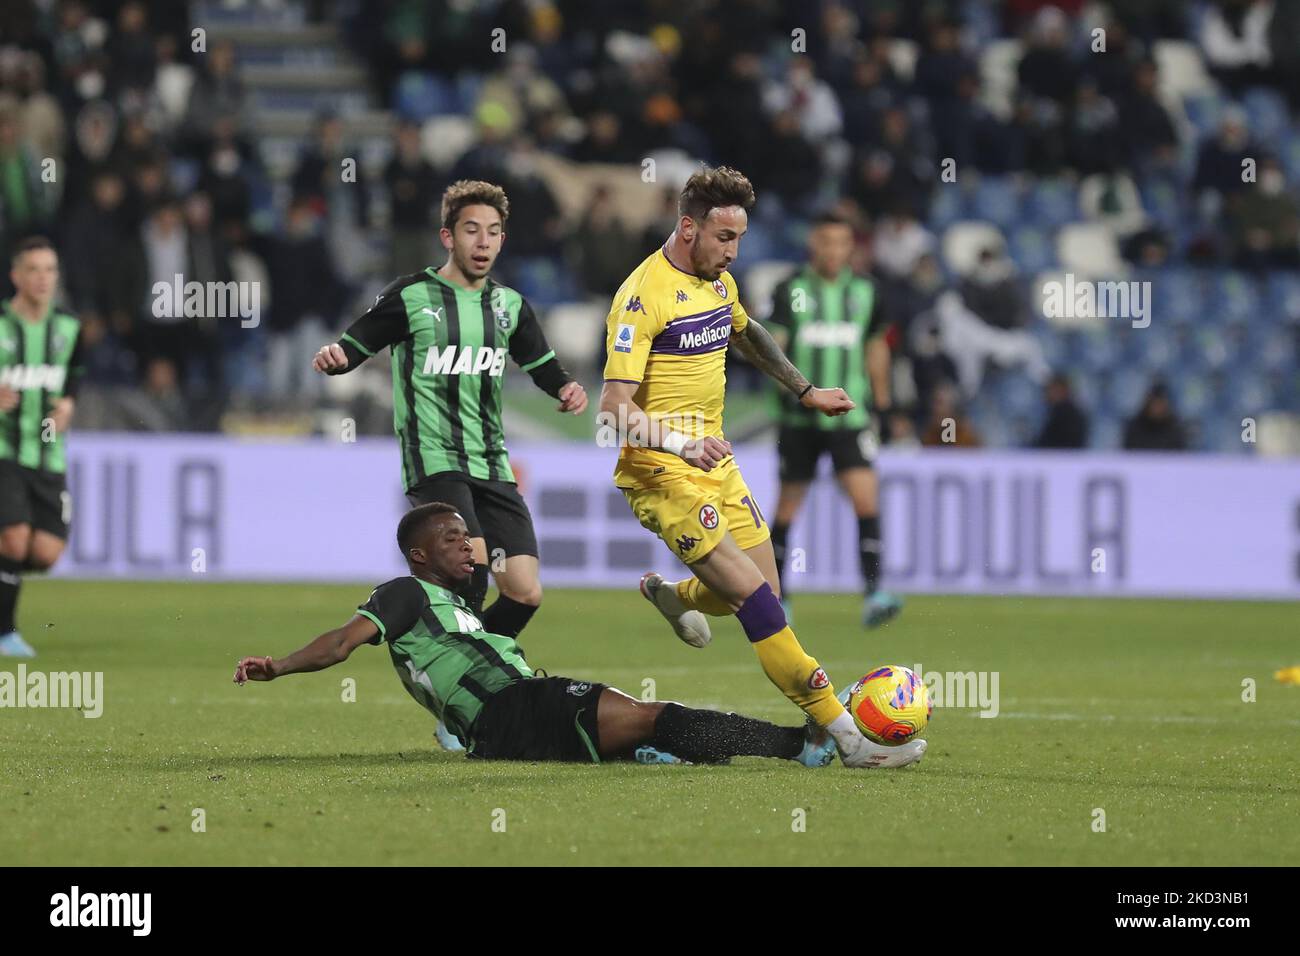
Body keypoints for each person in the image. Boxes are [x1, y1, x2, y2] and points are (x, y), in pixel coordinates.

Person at [597, 167, 917, 769]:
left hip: (716, 464)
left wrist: (804, 390)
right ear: (688, 227)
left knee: (759, 590)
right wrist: (677, 444)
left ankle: (675, 598)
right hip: (661, 474)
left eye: (739, 238)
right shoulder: (641, 297)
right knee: (758, 604)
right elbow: (613, 408)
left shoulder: (718, 282)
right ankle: (845, 738)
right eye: (723, 237)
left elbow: (748, 334)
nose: (733, 251)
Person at [232, 503, 925, 769]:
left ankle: (657, 752)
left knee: (630, 721)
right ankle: (800, 744)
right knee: (650, 714)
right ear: (418, 555)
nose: (469, 548)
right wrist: (280, 665)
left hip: (506, 722)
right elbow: (342, 642)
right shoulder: (405, 594)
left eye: (467, 538)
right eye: (452, 540)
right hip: (511, 713)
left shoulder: (455, 606)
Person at [313, 179, 587, 753]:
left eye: (492, 232)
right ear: (448, 236)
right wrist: (337, 358)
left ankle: (467, 687)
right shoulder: (412, 296)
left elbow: (542, 365)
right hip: (434, 457)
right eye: (471, 230)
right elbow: (356, 343)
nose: (483, 242)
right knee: (472, 568)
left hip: (492, 460)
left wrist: (565, 388)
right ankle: (471, 702)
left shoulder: (509, 306)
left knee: (526, 591)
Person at [766, 212, 903, 627]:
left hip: (850, 418)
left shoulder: (866, 291)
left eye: (841, 242)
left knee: (865, 498)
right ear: (814, 243)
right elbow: (774, 346)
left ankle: (875, 593)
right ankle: (778, 597)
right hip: (800, 419)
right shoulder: (791, 290)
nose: (832, 250)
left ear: (850, 247)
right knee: (789, 505)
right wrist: (788, 390)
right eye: (825, 241)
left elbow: (876, 347)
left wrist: (882, 403)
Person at [0, 238, 84, 657]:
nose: (43, 278)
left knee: (45, 553)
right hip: (5, 452)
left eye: (50, 269)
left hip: (49, 455)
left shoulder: (68, 326)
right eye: (33, 269)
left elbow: (73, 382)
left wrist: (68, 405)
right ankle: (4, 633)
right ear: (16, 276)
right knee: (13, 541)